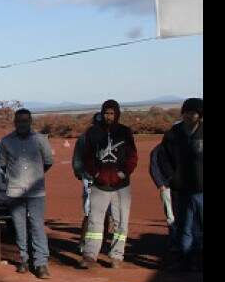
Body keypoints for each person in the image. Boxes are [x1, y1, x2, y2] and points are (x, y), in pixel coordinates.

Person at [80, 100, 138, 268]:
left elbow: (132, 156)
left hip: (121, 186)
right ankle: (90, 255)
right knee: (95, 221)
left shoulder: (125, 132)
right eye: (106, 113)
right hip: (100, 185)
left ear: (117, 114)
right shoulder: (92, 132)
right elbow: (88, 156)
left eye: (112, 113)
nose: (109, 116)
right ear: (102, 113)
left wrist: (123, 173)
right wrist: (96, 173)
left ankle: (116, 255)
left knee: (121, 222)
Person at [0, 109, 55, 279]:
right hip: (15, 191)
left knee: (37, 225)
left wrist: (35, 176)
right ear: (15, 123)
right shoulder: (6, 141)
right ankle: (24, 259)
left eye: (25, 121)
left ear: (30, 122)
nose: (22, 124)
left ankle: (41, 263)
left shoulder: (40, 140)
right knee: (19, 226)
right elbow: (3, 164)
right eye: (19, 121)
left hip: (36, 191)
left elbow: (48, 161)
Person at [158, 97, 203, 271]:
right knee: (185, 225)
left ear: (199, 115)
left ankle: (199, 258)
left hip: (201, 190)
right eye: (186, 112)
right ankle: (186, 259)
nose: (189, 116)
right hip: (182, 189)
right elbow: (162, 158)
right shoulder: (173, 134)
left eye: (193, 113)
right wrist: (171, 177)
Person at [72, 113, 104, 252]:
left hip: (107, 180)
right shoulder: (85, 138)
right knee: (89, 212)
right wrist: (80, 173)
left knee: (105, 214)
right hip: (90, 178)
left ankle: (100, 244)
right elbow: (77, 158)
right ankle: (83, 243)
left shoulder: (111, 137)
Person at [147, 141, 178, 256]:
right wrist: (161, 184)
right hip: (167, 187)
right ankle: (174, 243)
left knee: (185, 215)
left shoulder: (186, 146)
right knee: (171, 216)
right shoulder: (159, 149)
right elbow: (153, 167)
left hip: (183, 188)